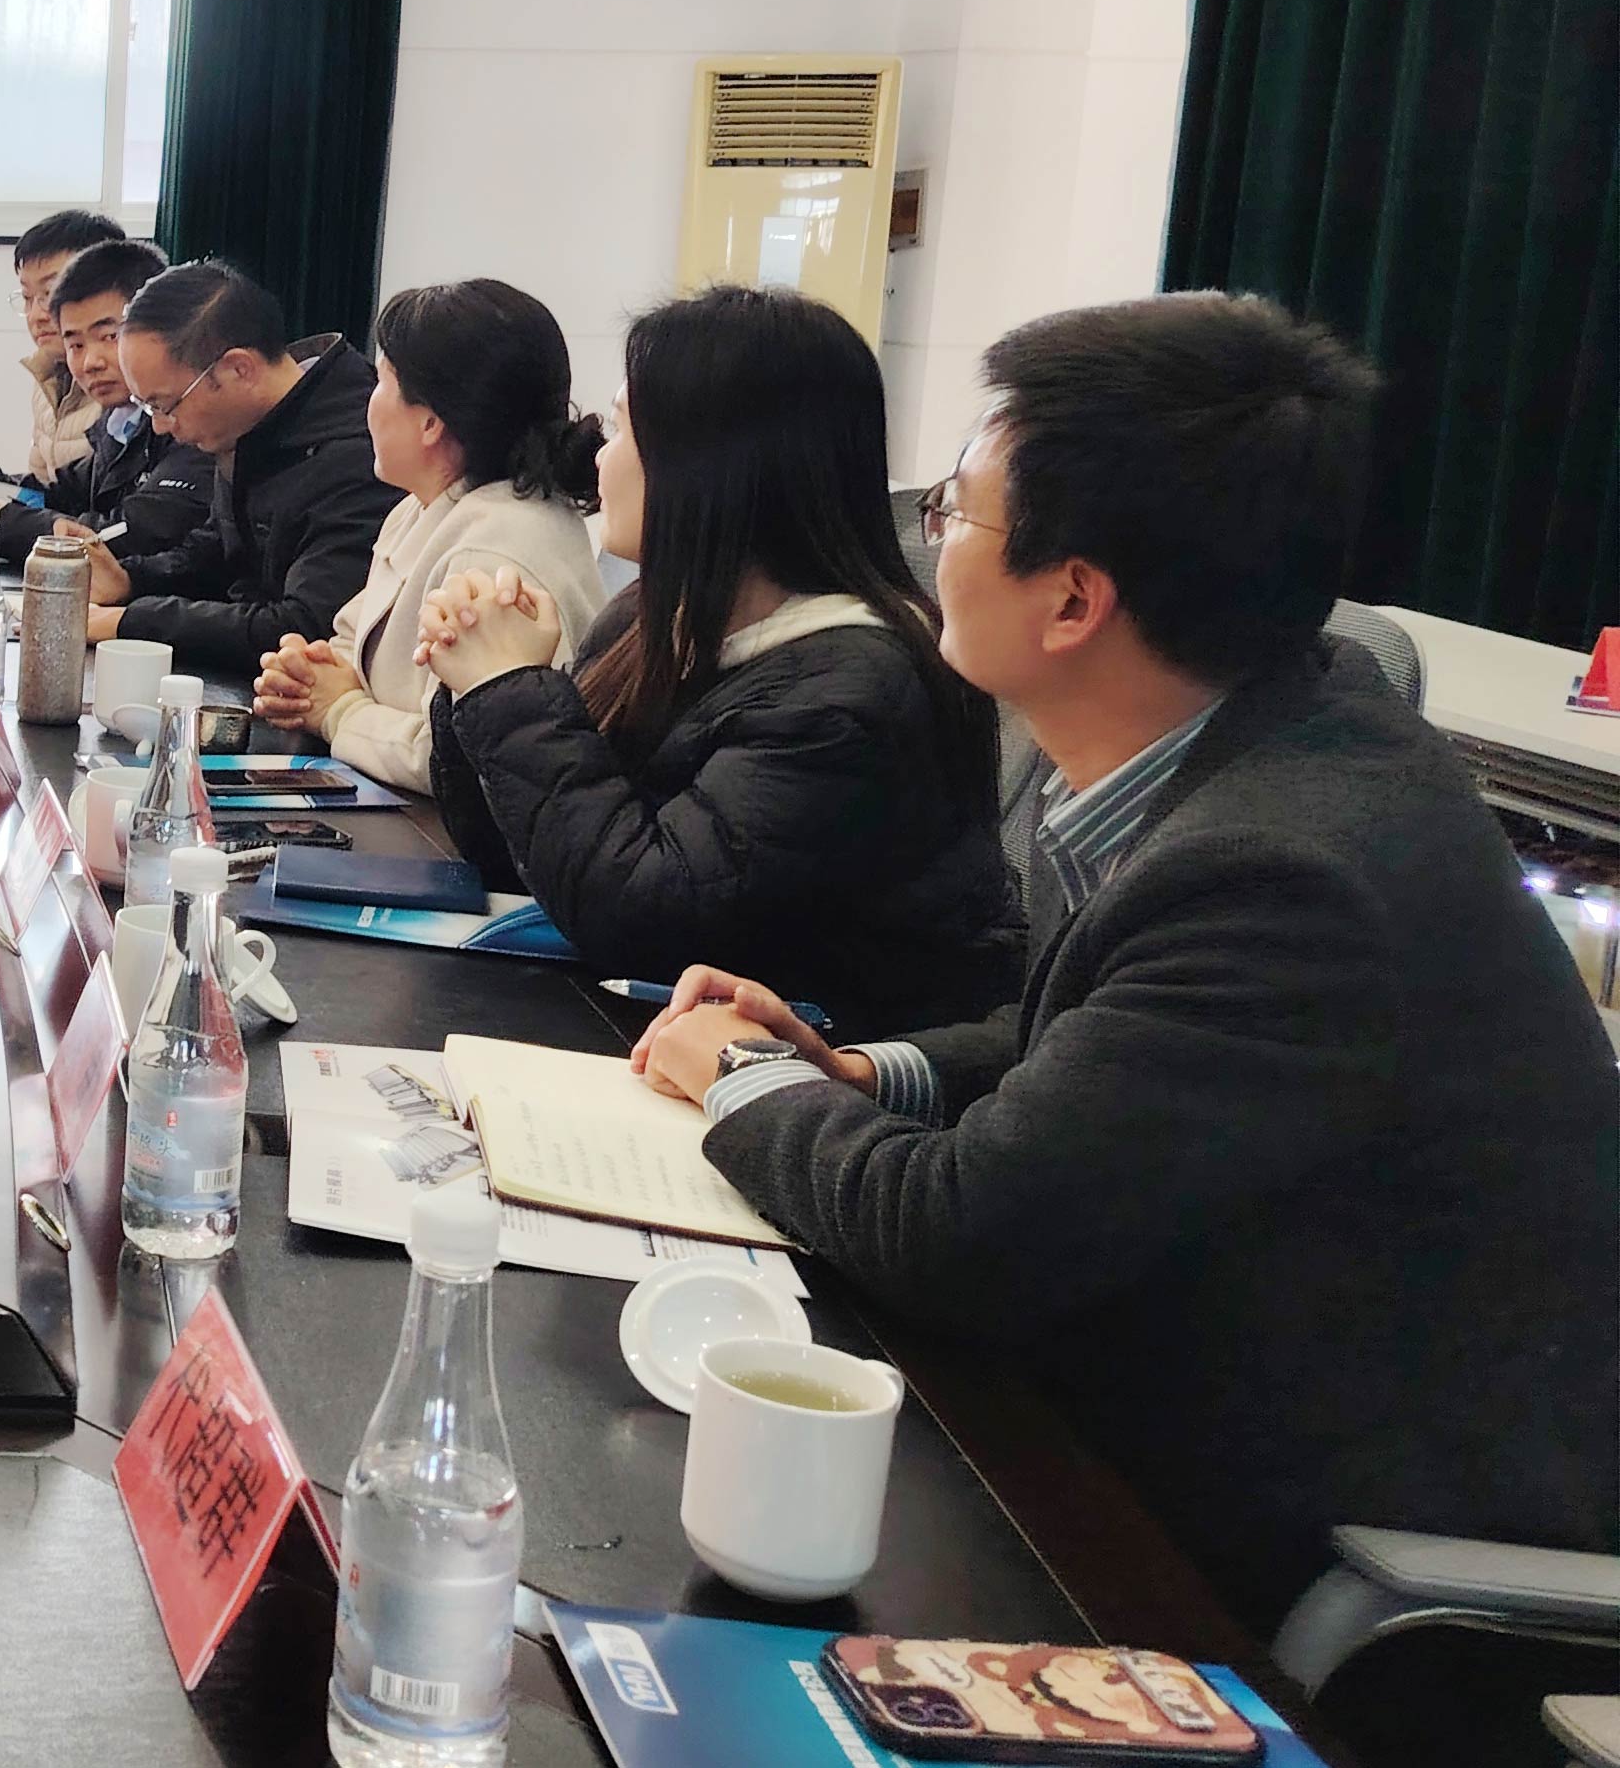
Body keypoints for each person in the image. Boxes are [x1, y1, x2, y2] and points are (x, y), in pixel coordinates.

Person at [626, 295, 1620, 1680]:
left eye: (955, 509)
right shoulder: (1269, 729)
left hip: (1302, 1547)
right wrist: (859, 1072)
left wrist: (743, 1076)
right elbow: (1089, 1036)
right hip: (1149, 1388)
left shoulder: (1288, 871)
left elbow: (959, 1233)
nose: (929, 539)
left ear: (1073, 597)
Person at [408, 284, 1018, 1039]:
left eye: (623, 429)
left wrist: (510, 691)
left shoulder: (854, 691)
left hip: (815, 1074)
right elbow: (529, 862)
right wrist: (472, 679)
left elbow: (644, 919)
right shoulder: (653, 616)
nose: (600, 455)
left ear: (711, 466)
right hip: (653, 1032)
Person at [245, 280, 609, 794]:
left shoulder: (497, 548)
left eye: (380, 381)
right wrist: (308, 674)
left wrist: (340, 711)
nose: (367, 403)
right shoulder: (424, 507)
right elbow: (355, 641)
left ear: (431, 423)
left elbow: (460, 759)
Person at [81, 261, 404, 673]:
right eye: (146, 407)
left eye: (164, 405)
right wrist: (132, 580)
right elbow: (220, 551)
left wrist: (129, 622)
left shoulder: (357, 457)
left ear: (239, 369)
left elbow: (302, 627)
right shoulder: (255, 426)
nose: (160, 426)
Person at [0, 236, 212, 570]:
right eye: (76, 345)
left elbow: (131, 534)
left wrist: (5, 522)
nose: (90, 362)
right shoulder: (119, 423)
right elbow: (62, 493)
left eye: (110, 337)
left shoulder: (193, 423)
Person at [0, 208, 125, 490]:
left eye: (50, 294)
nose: (36, 315)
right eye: (27, 297)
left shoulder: (119, 387)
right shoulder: (47, 375)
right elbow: (48, 492)